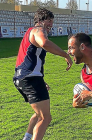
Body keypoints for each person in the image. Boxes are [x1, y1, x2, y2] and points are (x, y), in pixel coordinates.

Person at [13, 8, 72, 140]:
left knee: (39, 113)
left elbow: (26, 59)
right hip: (30, 79)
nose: (51, 24)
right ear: (40, 20)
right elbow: (45, 43)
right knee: (45, 118)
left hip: (23, 78)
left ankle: (27, 137)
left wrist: (40, 79)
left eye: (52, 21)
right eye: (49, 20)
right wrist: (65, 55)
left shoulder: (29, 32)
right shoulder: (39, 30)